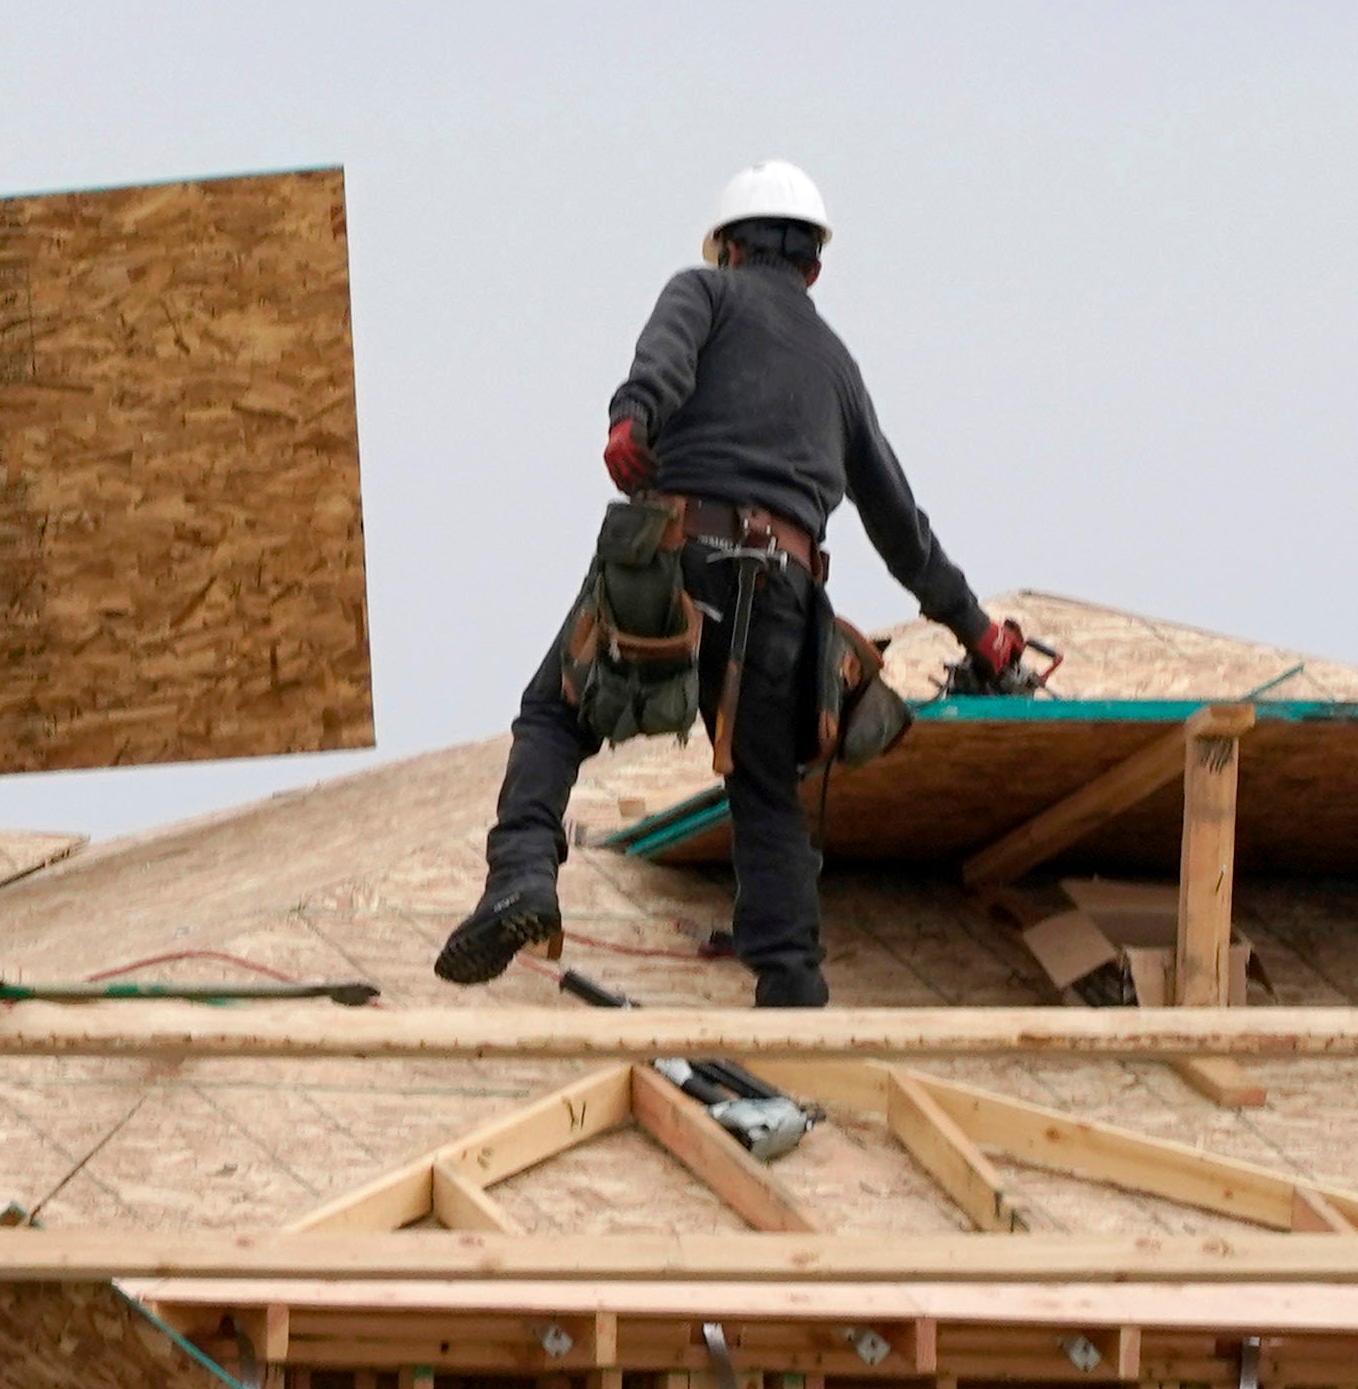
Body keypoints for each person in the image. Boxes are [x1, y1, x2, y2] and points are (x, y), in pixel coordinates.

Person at [439, 162, 1026, 1007]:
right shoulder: (838, 371)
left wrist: (631, 418)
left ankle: (521, 878)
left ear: (727, 249)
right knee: (762, 785)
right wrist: (978, 632)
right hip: (784, 589)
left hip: (676, 560)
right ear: (813, 267)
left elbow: (662, 361)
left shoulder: (702, 292)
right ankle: (792, 989)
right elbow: (902, 530)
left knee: (555, 713)